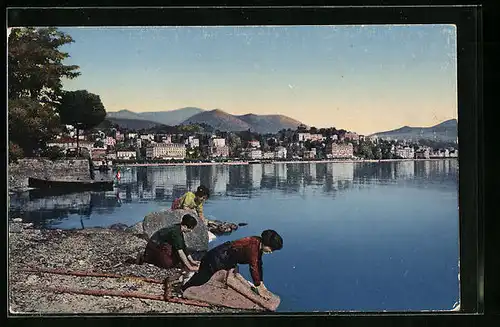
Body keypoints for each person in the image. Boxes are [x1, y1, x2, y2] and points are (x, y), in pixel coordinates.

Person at [181, 230, 283, 298]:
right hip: (217, 258)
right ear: (266, 244)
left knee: (205, 277)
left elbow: (259, 264)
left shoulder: (258, 244)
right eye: (271, 249)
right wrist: (258, 285)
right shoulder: (253, 246)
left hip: (226, 259)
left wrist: (261, 283)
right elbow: (254, 267)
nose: (271, 252)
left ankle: (187, 285)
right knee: (203, 278)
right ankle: (183, 290)